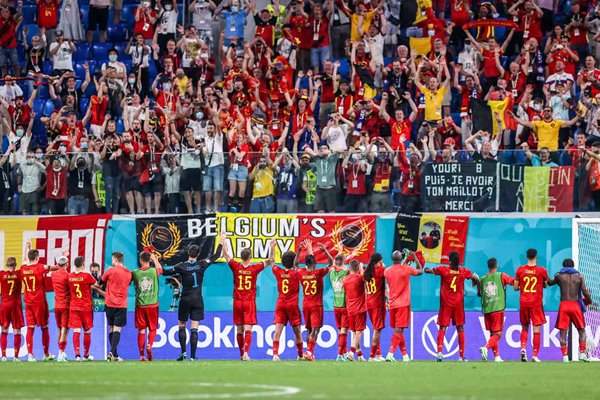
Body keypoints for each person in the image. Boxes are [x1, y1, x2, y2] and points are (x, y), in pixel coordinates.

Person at [163, 238, 224, 361]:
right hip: (197, 299)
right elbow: (217, 255)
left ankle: (183, 352)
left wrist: (155, 260)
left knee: (182, 325)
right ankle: (193, 356)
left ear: (188, 253)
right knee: (194, 327)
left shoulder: (181, 266)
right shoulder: (202, 264)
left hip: (185, 299)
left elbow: (164, 272)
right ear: (198, 254)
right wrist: (222, 238)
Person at [221, 237, 274, 361]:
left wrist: (223, 239)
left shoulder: (236, 266)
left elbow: (225, 254)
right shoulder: (254, 269)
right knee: (248, 329)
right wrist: (272, 247)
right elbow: (270, 260)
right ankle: (246, 353)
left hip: (237, 302)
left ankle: (241, 354)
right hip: (249, 302)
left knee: (239, 330)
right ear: (250, 257)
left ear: (241, 257)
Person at [424, 251, 478, 362]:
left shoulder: (443, 270)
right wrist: (475, 280)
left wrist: (426, 267)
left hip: (446, 304)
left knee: (442, 328)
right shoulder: (464, 271)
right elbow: (474, 277)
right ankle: (461, 357)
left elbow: (427, 270)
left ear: (449, 260)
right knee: (460, 328)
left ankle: (439, 353)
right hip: (458, 304)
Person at [21, 243, 60, 362]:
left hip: (28, 302)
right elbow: (56, 267)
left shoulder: (23, 268)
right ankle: (46, 354)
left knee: (30, 328)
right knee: (44, 327)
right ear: (37, 258)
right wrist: (63, 257)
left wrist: (27, 248)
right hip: (39, 302)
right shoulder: (40, 267)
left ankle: (30, 355)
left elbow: (24, 260)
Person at [548, 259, 593, 362]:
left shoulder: (559, 276)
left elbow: (550, 283)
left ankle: (565, 357)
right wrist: (589, 301)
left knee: (563, 332)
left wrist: (545, 275)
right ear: (573, 266)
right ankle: (582, 353)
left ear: (563, 266)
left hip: (564, 305)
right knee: (581, 331)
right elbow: (585, 292)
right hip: (575, 305)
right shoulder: (579, 276)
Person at [384, 249, 423, 362]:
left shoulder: (387, 271)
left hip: (392, 304)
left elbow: (398, 271)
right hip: (403, 304)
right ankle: (390, 354)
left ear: (392, 259)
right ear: (401, 259)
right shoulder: (406, 269)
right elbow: (420, 271)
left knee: (399, 330)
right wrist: (415, 258)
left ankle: (405, 356)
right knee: (399, 330)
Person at [295, 240, 330, 361]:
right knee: (316, 329)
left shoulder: (301, 272)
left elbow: (295, 266)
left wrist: (299, 251)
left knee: (309, 329)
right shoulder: (318, 273)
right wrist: (325, 251)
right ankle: (309, 351)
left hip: (305, 305)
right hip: (316, 305)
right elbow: (331, 264)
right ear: (315, 264)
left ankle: (309, 352)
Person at [514, 248, 549, 362]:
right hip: (536, 303)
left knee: (524, 327)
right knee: (536, 329)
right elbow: (545, 285)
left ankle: (523, 348)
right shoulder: (542, 271)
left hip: (524, 302)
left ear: (526, 257)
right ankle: (534, 355)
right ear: (536, 257)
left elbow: (515, 287)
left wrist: (522, 285)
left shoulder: (520, 270)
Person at [478, 258, 514, 362]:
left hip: (487, 310)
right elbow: (512, 282)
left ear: (488, 266)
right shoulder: (501, 275)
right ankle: (486, 348)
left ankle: (497, 357)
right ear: (497, 265)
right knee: (498, 334)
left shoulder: (482, 279)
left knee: (492, 334)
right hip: (497, 308)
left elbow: (480, 294)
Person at [270, 250, 304, 361]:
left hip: (281, 304)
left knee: (277, 331)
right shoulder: (296, 273)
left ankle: (275, 354)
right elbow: (297, 265)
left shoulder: (278, 271)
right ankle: (300, 355)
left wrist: (272, 247)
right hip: (292, 305)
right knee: (297, 331)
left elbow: (272, 262)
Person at [68, 256, 102, 362]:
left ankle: (77, 355)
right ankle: (86, 355)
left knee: (76, 330)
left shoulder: (70, 276)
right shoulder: (87, 276)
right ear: (83, 265)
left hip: (74, 307)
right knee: (87, 331)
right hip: (86, 307)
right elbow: (98, 285)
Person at [132, 251, 163, 361]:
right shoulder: (154, 271)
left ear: (140, 260)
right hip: (153, 305)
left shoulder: (135, 273)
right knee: (153, 328)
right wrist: (155, 259)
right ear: (149, 260)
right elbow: (160, 269)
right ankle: (149, 345)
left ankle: (141, 355)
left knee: (141, 330)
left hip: (140, 305)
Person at [101, 251, 132, 362]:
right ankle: (113, 353)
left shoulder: (110, 271)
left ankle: (113, 353)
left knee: (111, 328)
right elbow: (128, 283)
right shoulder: (128, 273)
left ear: (115, 260)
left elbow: (101, 281)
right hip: (121, 304)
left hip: (109, 303)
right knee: (117, 329)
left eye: (112, 259)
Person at [326, 245, 349, 361]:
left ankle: (343, 353)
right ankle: (339, 354)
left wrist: (339, 252)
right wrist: (341, 254)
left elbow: (334, 264)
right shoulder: (346, 272)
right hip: (344, 305)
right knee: (344, 331)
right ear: (344, 262)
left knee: (340, 331)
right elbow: (342, 265)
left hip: (335, 305)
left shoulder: (331, 273)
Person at [343, 260, 367, 362]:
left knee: (354, 332)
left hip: (350, 309)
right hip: (360, 308)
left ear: (349, 268)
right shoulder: (359, 277)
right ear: (357, 268)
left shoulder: (345, 280)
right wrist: (361, 269)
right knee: (359, 332)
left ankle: (360, 355)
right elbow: (365, 279)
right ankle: (351, 352)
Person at [0, 256, 24, 361]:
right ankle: (16, 356)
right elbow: (26, 264)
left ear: (6, 265)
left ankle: (4, 356)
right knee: (17, 330)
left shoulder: (2, 275)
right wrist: (27, 249)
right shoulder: (19, 274)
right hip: (15, 305)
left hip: (4, 305)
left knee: (4, 329)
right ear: (15, 265)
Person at [363, 253, 386, 362]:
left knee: (377, 329)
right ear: (379, 261)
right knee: (377, 330)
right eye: (381, 260)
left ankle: (378, 354)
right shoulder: (380, 270)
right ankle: (372, 356)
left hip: (369, 303)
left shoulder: (367, 272)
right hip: (377, 304)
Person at [51, 254, 70, 362]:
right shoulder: (68, 276)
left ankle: (61, 352)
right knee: (64, 330)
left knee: (59, 330)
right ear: (67, 264)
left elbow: (56, 267)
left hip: (56, 306)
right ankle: (61, 353)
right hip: (66, 306)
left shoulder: (53, 274)